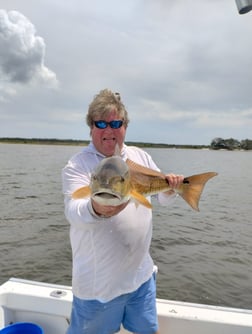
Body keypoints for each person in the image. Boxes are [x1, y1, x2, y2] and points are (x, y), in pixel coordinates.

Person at [62, 89, 184, 334]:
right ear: (91, 127)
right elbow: (74, 212)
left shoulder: (140, 156)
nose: (109, 130)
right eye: (101, 123)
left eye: (116, 123)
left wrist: (172, 189)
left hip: (141, 279)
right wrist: (97, 207)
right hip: (98, 289)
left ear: (125, 126)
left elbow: (162, 198)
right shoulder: (77, 165)